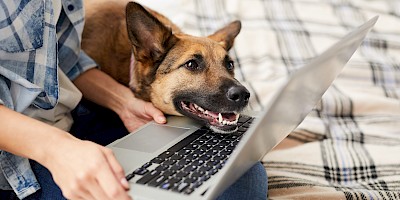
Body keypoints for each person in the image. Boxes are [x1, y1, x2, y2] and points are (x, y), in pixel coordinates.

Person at [0, 0, 267, 199]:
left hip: (69, 118)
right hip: (16, 160)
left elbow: (62, 61)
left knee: (242, 178)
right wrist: (56, 149)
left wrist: (123, 103)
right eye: (193, 66)